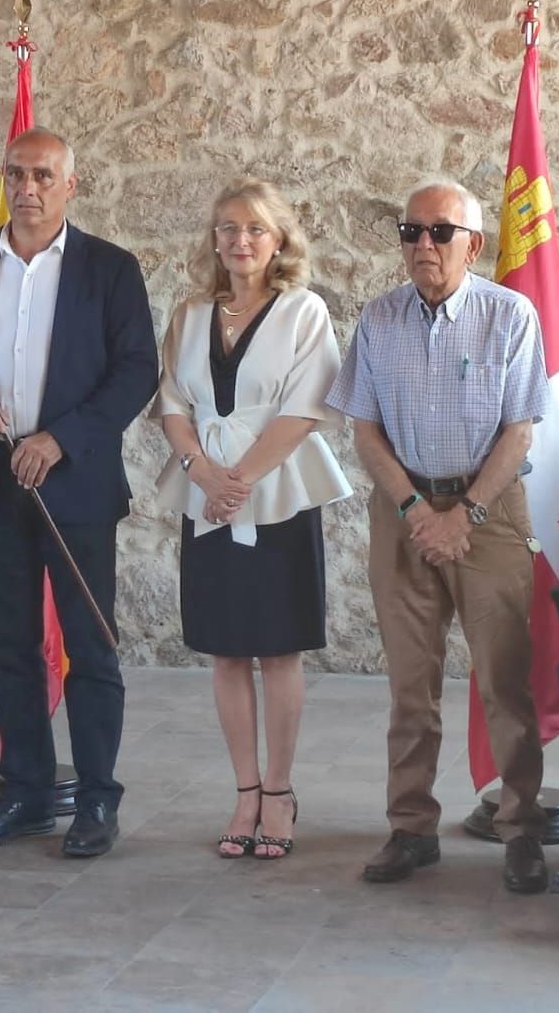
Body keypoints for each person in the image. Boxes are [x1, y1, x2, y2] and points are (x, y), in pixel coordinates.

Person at [0, 127, 157, 858]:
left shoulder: (109, 269)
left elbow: (136, 370)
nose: (28, 188)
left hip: (73, 486)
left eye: (44, 176)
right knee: (10, 649)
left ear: (70, 185)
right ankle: (23, 791)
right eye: (17, 174)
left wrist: (61, 439)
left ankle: (96, 800)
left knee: (90, 647)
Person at [326, 178, 551, 894]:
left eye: (439, 233)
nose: (423, 245)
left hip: (489, 514)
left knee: (505, 680)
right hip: (404, 516)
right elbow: (363, 429)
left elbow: (519, 431)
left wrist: (466, 514)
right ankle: (411, 827)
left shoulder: (510, 316)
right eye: (411, 232)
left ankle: (519, 828)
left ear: (473, 244)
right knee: (409, 684)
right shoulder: (379, 319)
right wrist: (416, 510)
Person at [152, 178, 351, 860]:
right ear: (214, 239)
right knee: (226, 646)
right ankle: (243, 790)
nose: (240, 241)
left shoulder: (303, 312)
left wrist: (239, 481)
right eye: (229, 229)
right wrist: (202, 472)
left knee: (278, 645)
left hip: (276, 493)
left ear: (280, 241)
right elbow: (172, 402)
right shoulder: (188, 313)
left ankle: (280, 789)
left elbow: (304, 408)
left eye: (255, 230)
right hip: (205, 494)